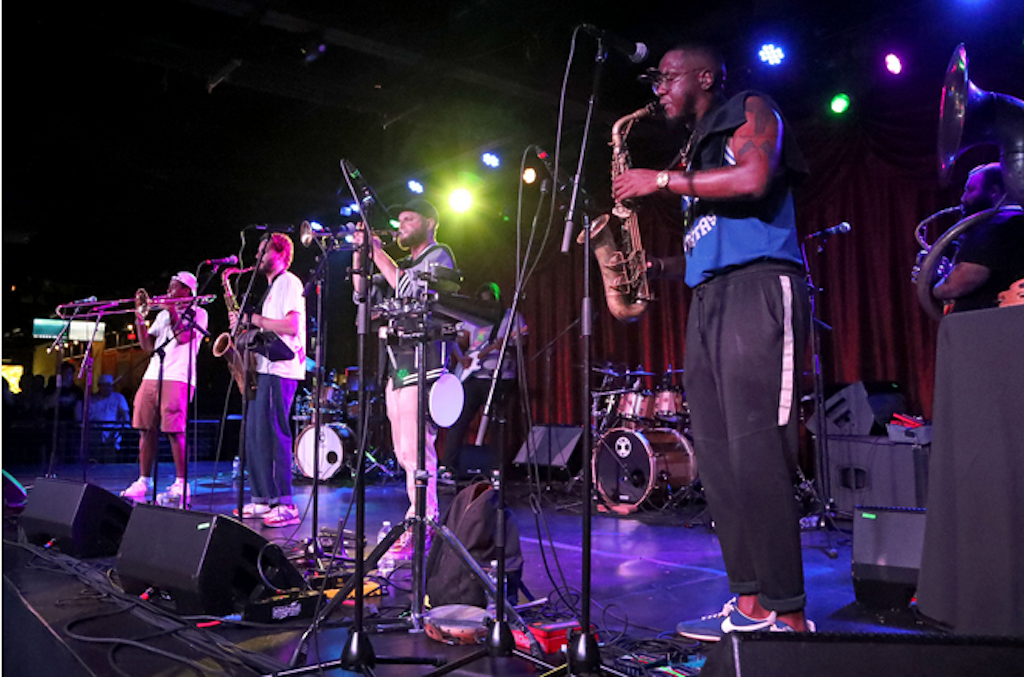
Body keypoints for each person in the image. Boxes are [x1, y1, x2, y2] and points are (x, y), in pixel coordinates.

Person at [612, 43, 813, 638]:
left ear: (705, 76)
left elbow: (753, 178)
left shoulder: (751, 107)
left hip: (760, 288)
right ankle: (750, 605)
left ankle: (790, 614)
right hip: (710, 299)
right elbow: (711, 236)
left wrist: (663, 181)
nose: (659, 90)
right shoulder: (693, 149)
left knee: (758, 451)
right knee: (720, 461)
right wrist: (659, 270)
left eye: (667, 78)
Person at [353, 198, 455, 557]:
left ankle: (424, 522)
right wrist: (360, 255)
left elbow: (409, 289)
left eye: (408, 219)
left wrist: (378, 252)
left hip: (421, 364)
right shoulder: (403, 264)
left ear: (430, 222)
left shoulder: (439, 255)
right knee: (403, 451)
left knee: (416, 449)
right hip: (397, 366)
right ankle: (420, 518)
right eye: (399, 219)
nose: (400, 225)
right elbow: (361, 296)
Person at [229, 233, 307, 528]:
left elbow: (291, 325)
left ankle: (285, 504)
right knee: (256, 435)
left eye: (264, 251)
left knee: (274, 434)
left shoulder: (289, 281)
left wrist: (254, 320)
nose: (258, 255)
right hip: (265, 368)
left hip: (282, 369)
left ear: (281, 253)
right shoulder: (273, 287)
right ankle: (262, 499)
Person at [120, 272, 208, 508]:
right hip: (152, 374)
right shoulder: (161, 316)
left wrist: (171, 310)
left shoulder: (199, 313)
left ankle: (182, 482)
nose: (168, 291)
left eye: (174, 287)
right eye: (169, 286)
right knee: (144, 429)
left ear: (187, 291)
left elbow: (183, 338)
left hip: (178, 377)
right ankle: (144, 479)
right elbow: (147, 346)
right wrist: (140, 318)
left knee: (174, 430)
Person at [441, 282, 527, 481]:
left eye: (489, 302)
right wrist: (461, 357)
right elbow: (457, 339)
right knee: (458, 420)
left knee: (498, 424)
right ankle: (447, 466)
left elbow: (523, 340)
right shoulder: (473, 317)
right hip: (471, 376)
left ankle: (497, 471)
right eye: (482, 302)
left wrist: (507, 343)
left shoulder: (511, 316)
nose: (485, 306)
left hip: (499, 376)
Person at [933, 162, 1024, 312]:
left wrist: (933, 282)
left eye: (970, 190)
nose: (963, 198)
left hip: (989, 323)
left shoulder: (996, 226)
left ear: (994, 192)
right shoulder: (1014, 222)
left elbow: (956, 286)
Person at [89, 373, 130, 449]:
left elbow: (125, 414)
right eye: (103, 385)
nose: (106, 388)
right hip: (95, 433)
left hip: (113, 433)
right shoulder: (92, 399)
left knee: (110, 454)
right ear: (99, 386)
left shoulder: (119, 398)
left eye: (108, 385)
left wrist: (123, 427)